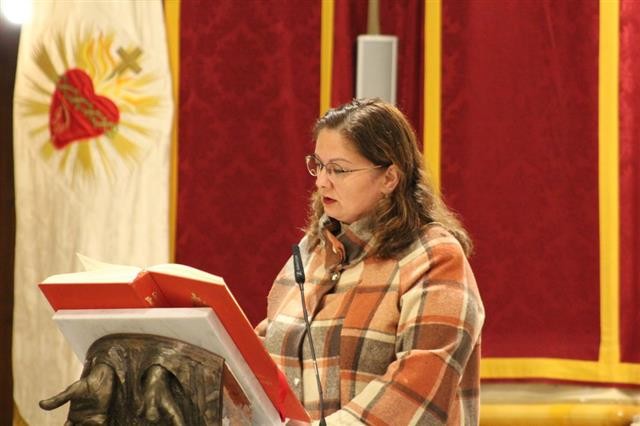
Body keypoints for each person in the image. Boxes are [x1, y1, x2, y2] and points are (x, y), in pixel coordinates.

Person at [256, 98, 485, 425]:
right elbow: (267, 353)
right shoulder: (311, 251)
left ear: (389, 177)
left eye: (338, 169)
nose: (321, 181)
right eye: (318, 165)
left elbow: (417, 390)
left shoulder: (434, 258)